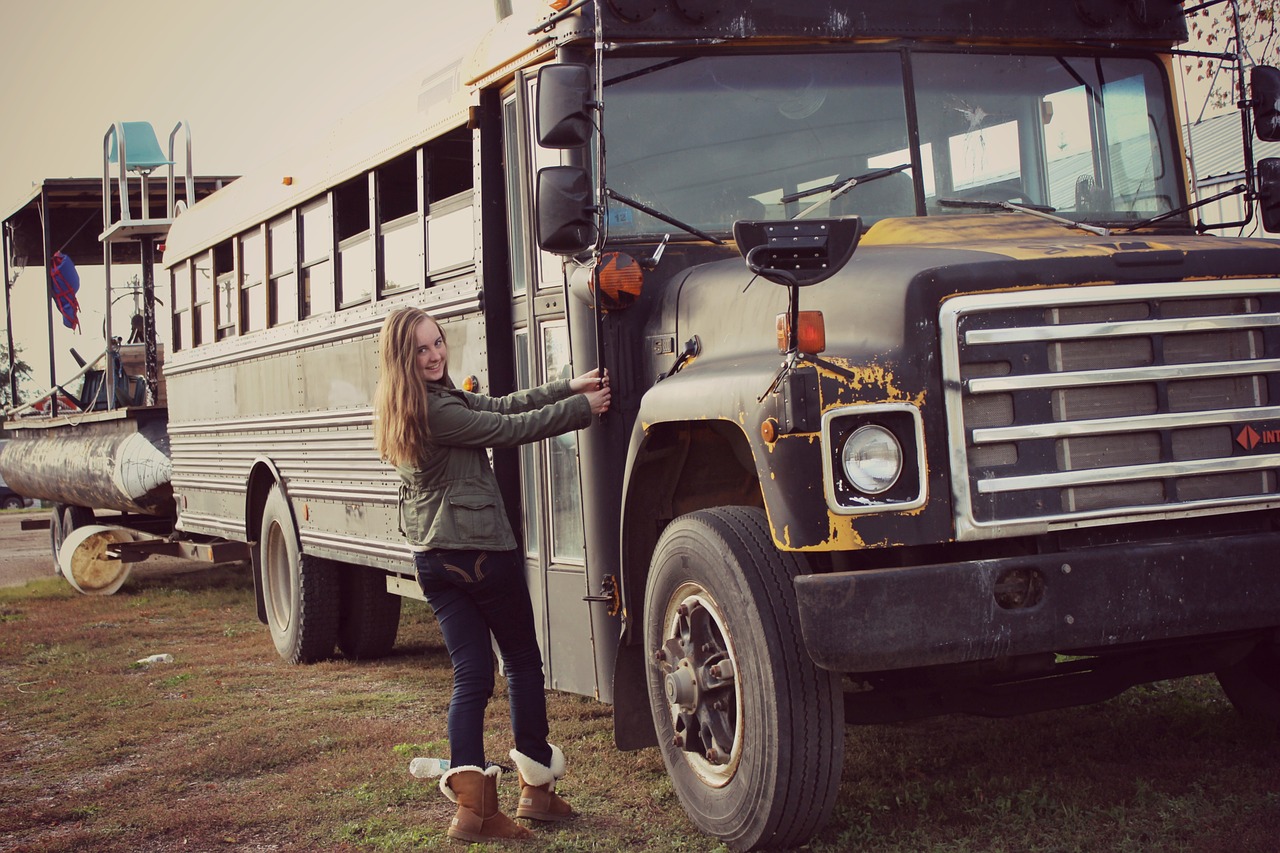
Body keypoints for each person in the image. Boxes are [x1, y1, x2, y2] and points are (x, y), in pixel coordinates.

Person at [372, 306, 610, 843]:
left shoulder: (406, 405)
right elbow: (507, 428)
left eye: (437, 343)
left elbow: (501, 403)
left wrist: (567, 386)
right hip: (477, 552)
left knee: (473, 675)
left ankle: (475, 812)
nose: (435, 355)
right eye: (422, 350)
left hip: (433, 560)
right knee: (522, 662)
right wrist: (583, 409)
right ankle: (535, 792)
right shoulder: (437, 411)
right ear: (403, 359)